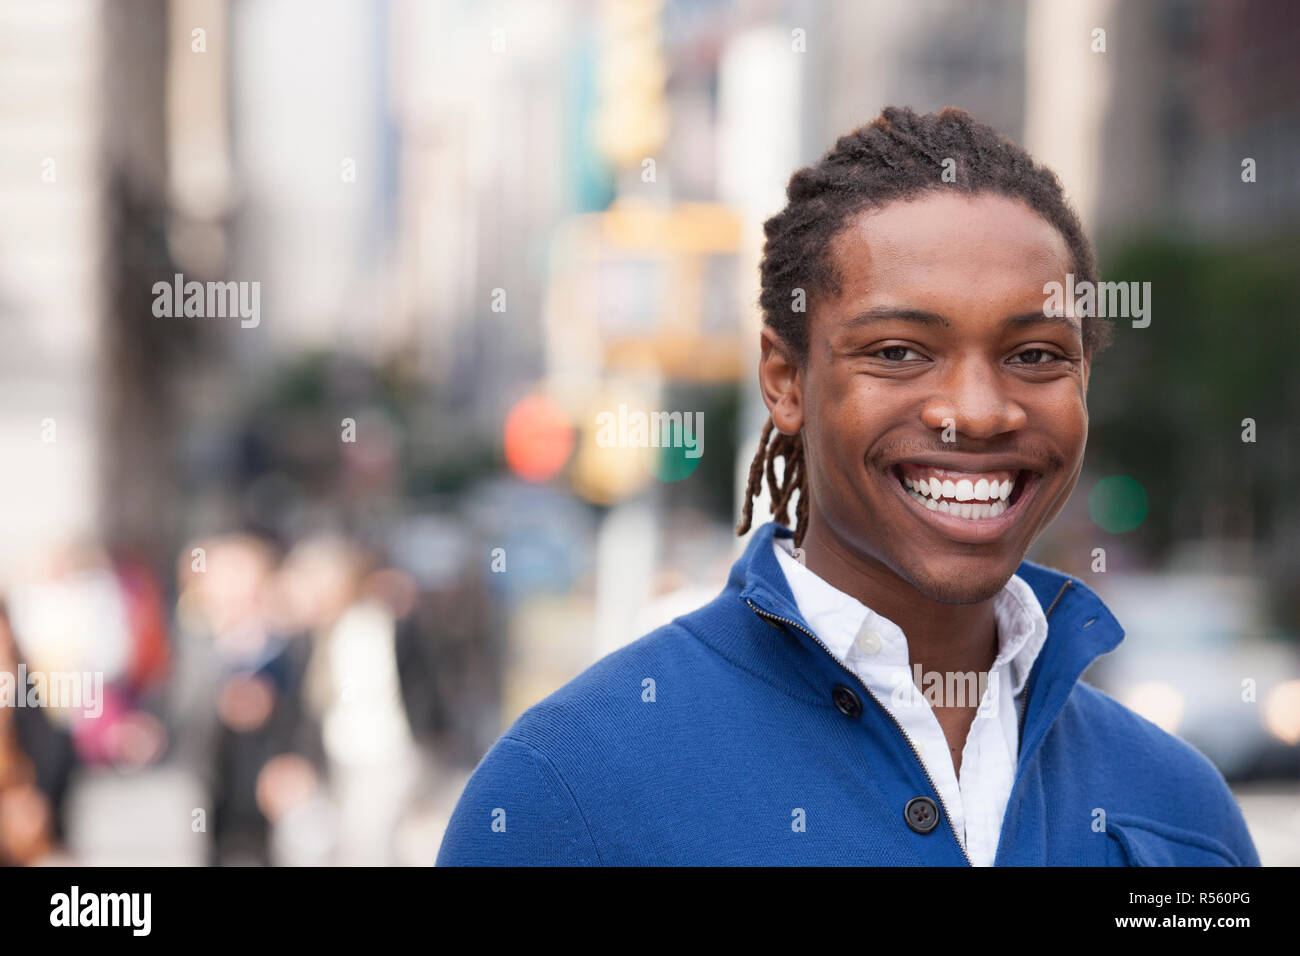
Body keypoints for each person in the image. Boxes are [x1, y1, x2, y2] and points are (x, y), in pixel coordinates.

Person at [436, 106, 1260, 866]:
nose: (975, 412)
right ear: (786, 380)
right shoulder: (565, 794)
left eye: (1036, 355)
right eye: (899, 351)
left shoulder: (1181, 816)